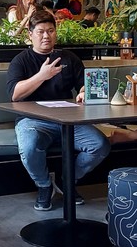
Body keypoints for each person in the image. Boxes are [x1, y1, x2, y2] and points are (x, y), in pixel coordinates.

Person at [6, 11, 111, 210]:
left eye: (51, 31)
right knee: (29, 149)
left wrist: (84, 93)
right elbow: (15, 95)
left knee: (99, 145)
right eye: (40, 32)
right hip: (32, 120)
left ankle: (67, 179)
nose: (46, 36)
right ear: (30, 34)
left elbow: (84, 85)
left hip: (67, 119)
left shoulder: (69, 58)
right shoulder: (21, 60)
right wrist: (41, 76)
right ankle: (44, 185)